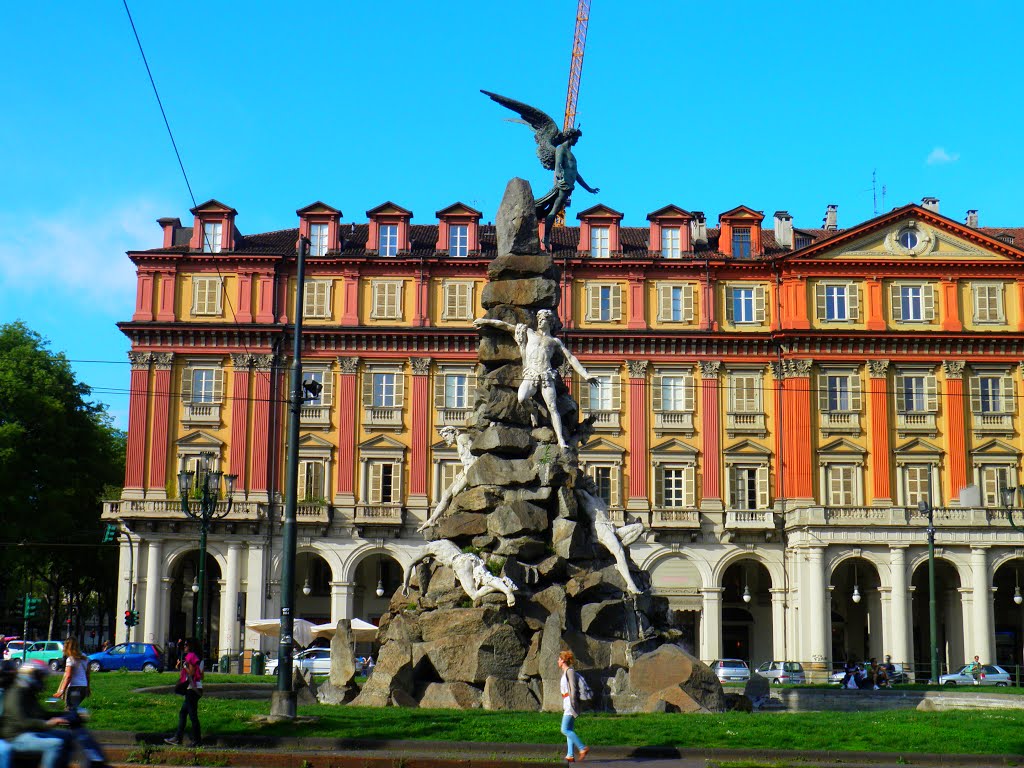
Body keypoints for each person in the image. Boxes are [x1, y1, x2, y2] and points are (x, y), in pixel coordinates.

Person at [474, 311, 597, 449]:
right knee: (521, 398)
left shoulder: (554, 341)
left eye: (543, 319)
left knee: (553, 408)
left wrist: (585, 375)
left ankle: (561, 440)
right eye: (538, 318)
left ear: (549, 322)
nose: (540, 321)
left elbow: (571, 358)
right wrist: (486, 322)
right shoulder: (529, 333)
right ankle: (533, 411)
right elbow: (506, 326)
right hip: (531, 373)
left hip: (546, 375)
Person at [0, 661, 75, 768]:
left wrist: (63, 715)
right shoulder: (16, 693)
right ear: (30, 676)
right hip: (15, 735)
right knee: (54, 745)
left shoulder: (27, 692)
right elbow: (23, 721)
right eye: (40, 677)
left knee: (67, 736)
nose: (42, 681)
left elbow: (40, 714)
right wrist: (48, 724)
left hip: (27, 732)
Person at [402, 539, 519, 607]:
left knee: (474, 595)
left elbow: (409, 564)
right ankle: (505, 588)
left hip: (459, 563)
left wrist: (405, 585)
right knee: (486, 578)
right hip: (470, 557)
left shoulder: (428, 548)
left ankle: (502, 587)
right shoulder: (447, 542)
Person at [418, 427, 477, 532]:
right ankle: (432, 519)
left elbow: (476, 453)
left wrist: (471, 473)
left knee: (455, 491)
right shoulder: (459, 442)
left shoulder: (462, 438)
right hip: (465, 471)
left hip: (471, 471)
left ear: (453, 433)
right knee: (446, 494)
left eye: (446, 435)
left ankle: (460, 517)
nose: (444, 439)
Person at [165, 638, 203, 747]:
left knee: (192, 716)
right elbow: (202, 675)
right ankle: (178, 737)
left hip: (192, 689)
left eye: (186, 645)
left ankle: (196, 740)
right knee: (183, 713)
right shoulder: (199, 658)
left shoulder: (190, 656)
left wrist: (185, 667)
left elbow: (190, 672)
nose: (184, 646)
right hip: (198, 687)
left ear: (191, 646)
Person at [557, 651, 589, 763]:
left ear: (563, 660)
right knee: (569, 729)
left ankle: (582, 748)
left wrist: (573, 703)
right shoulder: (565, 672)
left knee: (564, 729)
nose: (558, 661)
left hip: (570, 703)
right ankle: (570, 755)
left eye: (559, 659)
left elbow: (573, 688)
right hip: (567, 702)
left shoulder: (570, 671)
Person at [53, 637, 90, 711]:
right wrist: (88, 687)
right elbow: (87, 674)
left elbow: (68, 676)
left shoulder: (70, 659)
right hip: (83, 687)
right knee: (74, 708)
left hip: (74, 688)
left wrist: (61, 691)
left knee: (69, 710)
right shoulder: (85, 657)